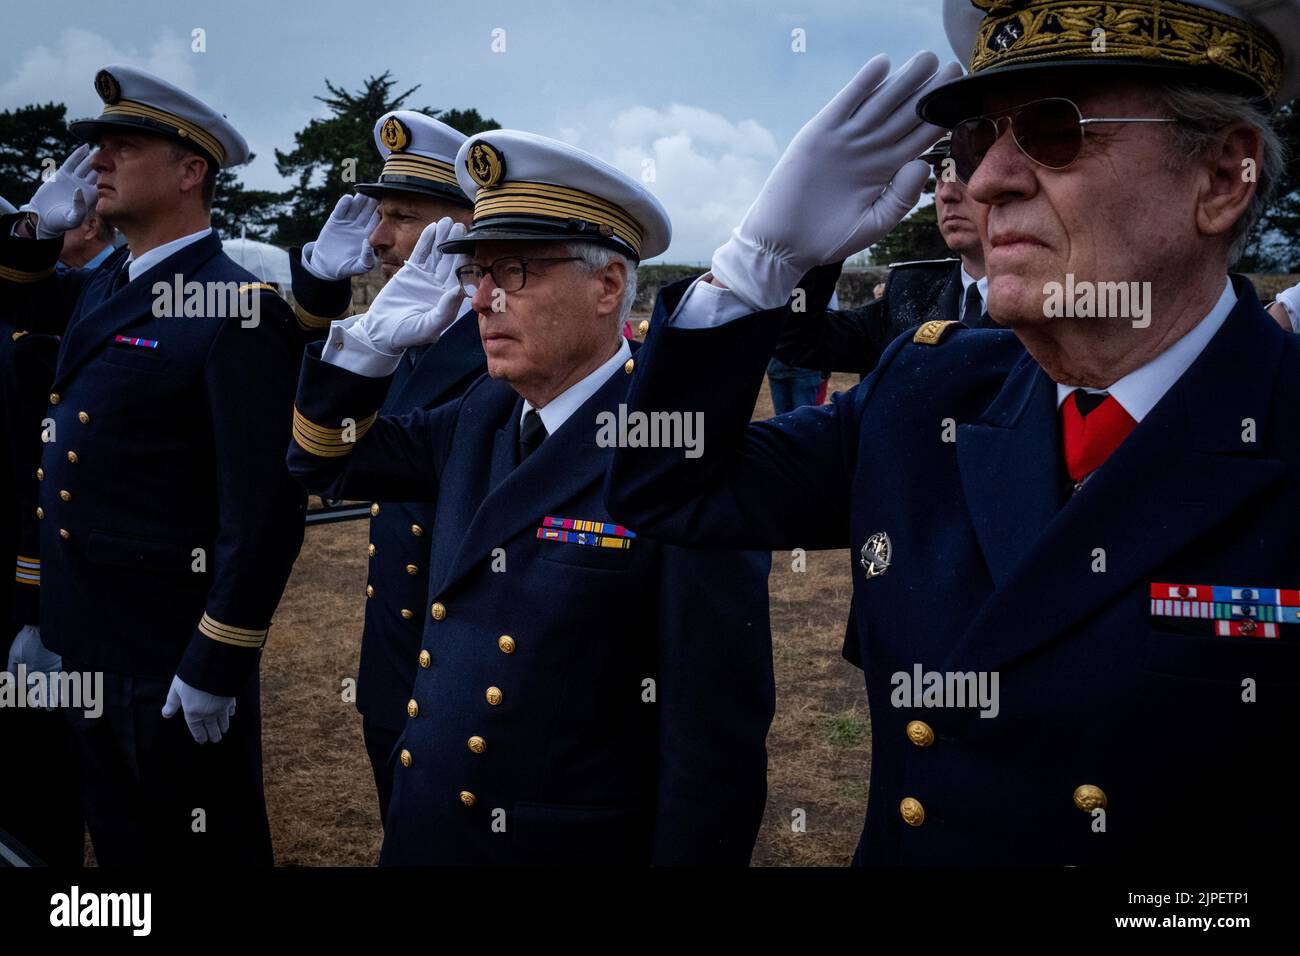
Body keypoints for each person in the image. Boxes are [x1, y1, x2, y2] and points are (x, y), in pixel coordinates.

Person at [606, 0, 1300, 865]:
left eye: (1054, 129)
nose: (987, 180)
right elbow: (668, 488)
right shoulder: (929, 390)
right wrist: (759, 266)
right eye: (976, 141)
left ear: (1223, 178)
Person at [288, 130, 775, 865]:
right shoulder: (483, 411)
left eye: (513, 271)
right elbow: (325, 462)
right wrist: (367, 346)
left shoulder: (672, 449)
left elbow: (711, 744)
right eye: (478, 272)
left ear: (610, 285)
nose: (482, 299)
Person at [0, 65, 306, 865]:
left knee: (195, 851)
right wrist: (32, 235)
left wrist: (220, 658)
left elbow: (264, 511)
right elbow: (20, 304)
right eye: (97, 147)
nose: (96, 162)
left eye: (121, 146)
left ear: (189, 171)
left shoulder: (234, 306)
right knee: (124, 850)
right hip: (87, 640)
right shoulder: (109, 282)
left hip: (164, 659)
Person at [289, 111, 487, 827]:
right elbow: (308, 442)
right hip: (395, 671)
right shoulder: (406, 334)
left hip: (475, 683)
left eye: (403, 217)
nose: (378, 239)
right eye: (379, 216)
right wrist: (318, 296)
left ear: (464, 229)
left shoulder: (507, 356)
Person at [770, 134, 994, 377]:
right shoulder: (912, 288)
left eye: (969, 169)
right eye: (941, 172)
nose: (946, 193)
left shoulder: (1042, 299)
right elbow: (799, 341)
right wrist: (826, 252)